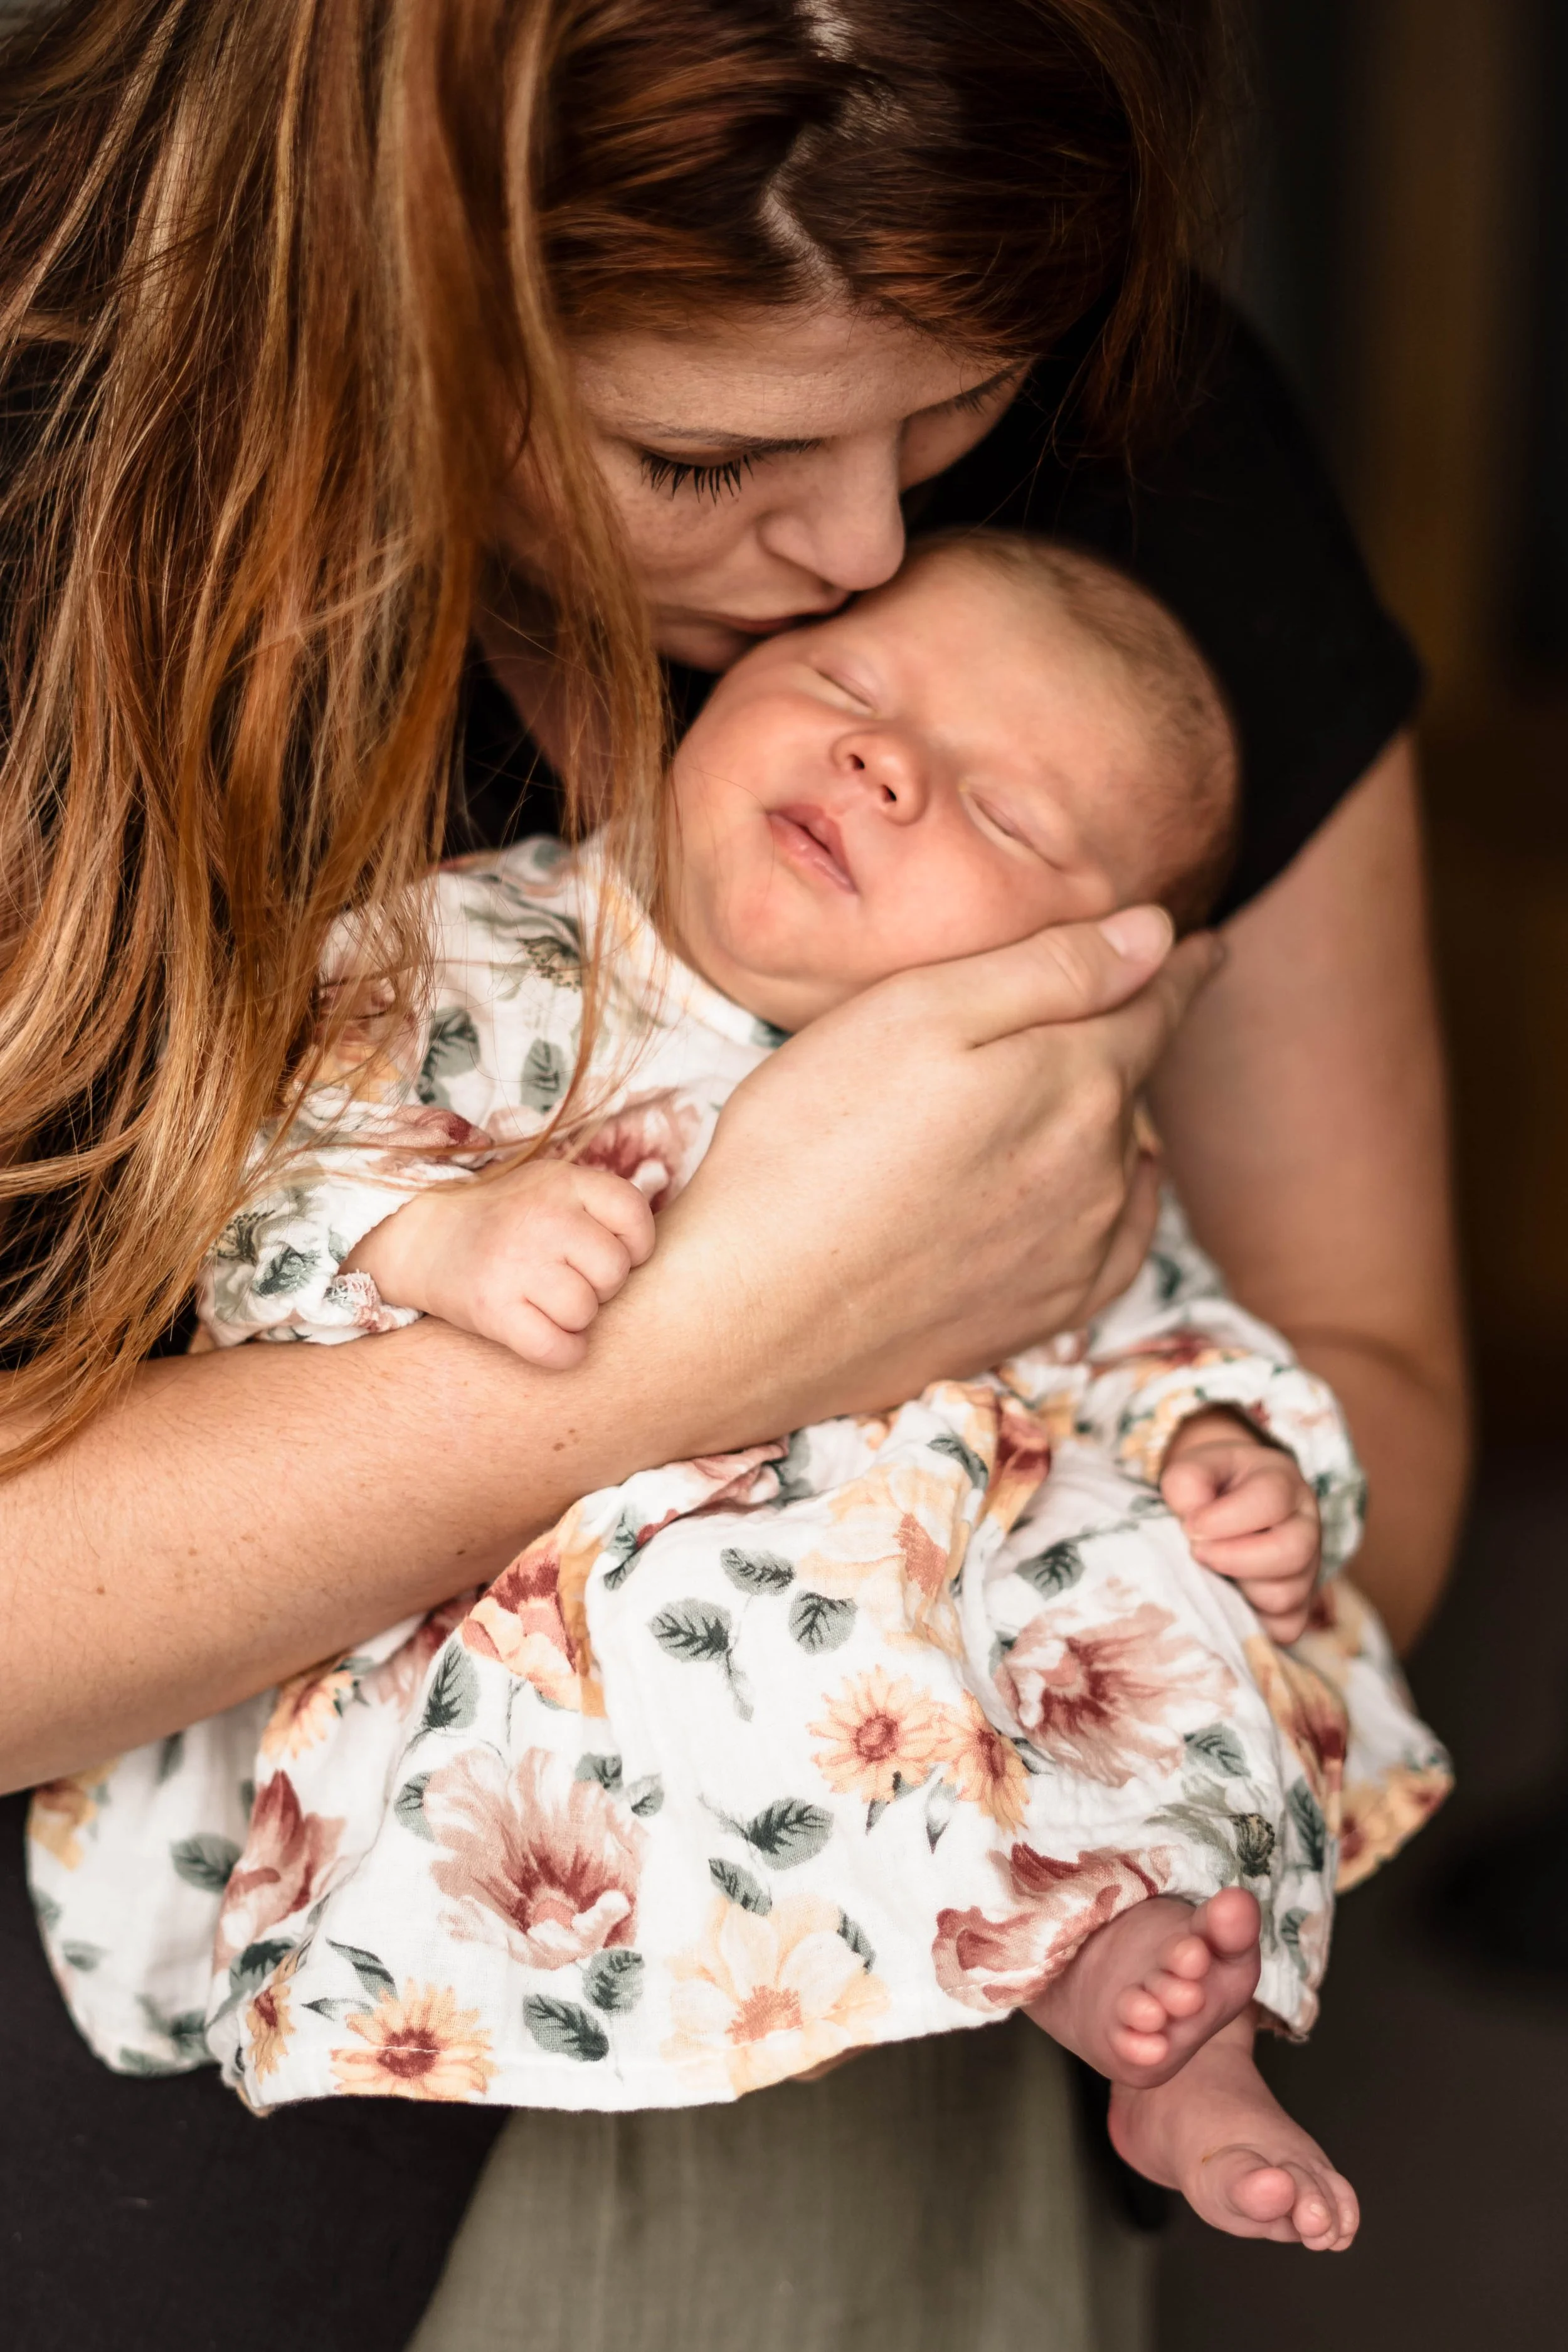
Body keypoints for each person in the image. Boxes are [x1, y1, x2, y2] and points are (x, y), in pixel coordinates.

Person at [0, 4, 1465, 2349]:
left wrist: (1143, 1545)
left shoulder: (1137, 452)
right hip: (180, 2151)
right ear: (382, 276)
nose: (868, 554)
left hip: (885, 1998)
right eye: (699, 455)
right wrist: (694, 1352)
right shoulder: (83, 549)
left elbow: (1354, 1370)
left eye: (962, 407)